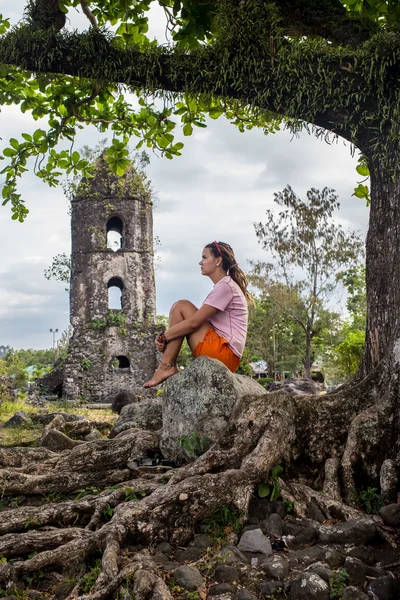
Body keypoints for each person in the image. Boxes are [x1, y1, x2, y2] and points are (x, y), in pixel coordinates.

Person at [143, 241, 251, 388]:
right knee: (179, 308)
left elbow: (194, 323)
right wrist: (166, 337)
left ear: (218, 261)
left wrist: (165, 336)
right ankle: (166, 366)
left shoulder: (225, 286)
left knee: (181, 307)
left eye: (205, 257)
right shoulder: (224, 286)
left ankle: (166, 366)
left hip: (225, 355)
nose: (200, 262)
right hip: (224, 355)